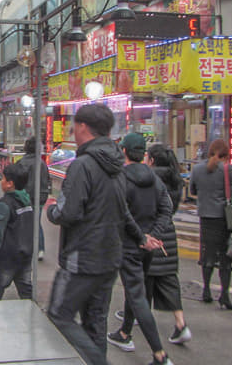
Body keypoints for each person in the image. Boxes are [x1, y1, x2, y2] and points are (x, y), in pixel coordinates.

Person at [46, 104, 160, 365]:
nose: (72, 130)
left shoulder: (82, 165)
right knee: (95, 322)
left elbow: (69, 212)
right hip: (110, 257)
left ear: (83, 127)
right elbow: (123, 210)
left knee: (59, 315)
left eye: (74, 125)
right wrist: (140, 237)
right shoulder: (117, 165)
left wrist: (52, 211)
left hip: (82, 258)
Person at [107, 134, 174, 365]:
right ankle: (124, 333)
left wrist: (141, 237)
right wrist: (153, 235)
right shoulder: (155, 179)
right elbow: (167, 209)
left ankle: (160, 354)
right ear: (144, 154)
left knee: (137, 296)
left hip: (129, 246)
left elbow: (122, 214)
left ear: (123, 151)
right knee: (137, 291)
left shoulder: (120, 179)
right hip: (148, 248)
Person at [115, 144, 191, 345]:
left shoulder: (148, 177)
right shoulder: (176, 178)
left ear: (153, 160)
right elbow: (167, 208)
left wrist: (147, 236)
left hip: (146, 235)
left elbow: (127, 210)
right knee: (168, 279)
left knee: (140, 284)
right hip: (165, 233)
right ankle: (180, 322)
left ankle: (130, 329)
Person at [189, 139, 232, 309]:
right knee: (225, 257)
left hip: (206, 217)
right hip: (225, 219)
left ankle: (206, 290)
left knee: (207, 255)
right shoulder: (229, 169)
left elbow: (192, 190)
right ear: (227, 154)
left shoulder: (198, 169)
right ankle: (224, 295)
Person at [0, 162, 33, 300]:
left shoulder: (4, 205)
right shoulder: (27, 201)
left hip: (8, 257)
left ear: (9, 184)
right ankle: (32, 315)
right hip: (25, 254)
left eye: (3, 179)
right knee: (25, 290)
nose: (1, 181)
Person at [18, 136, 50, 260]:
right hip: (41, 197)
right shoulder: (41, 163)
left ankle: (25, 247)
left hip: (26, 196)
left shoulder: (22, 162)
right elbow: (47, 179)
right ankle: (40, 249)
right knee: (36, 223)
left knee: (24, 223)